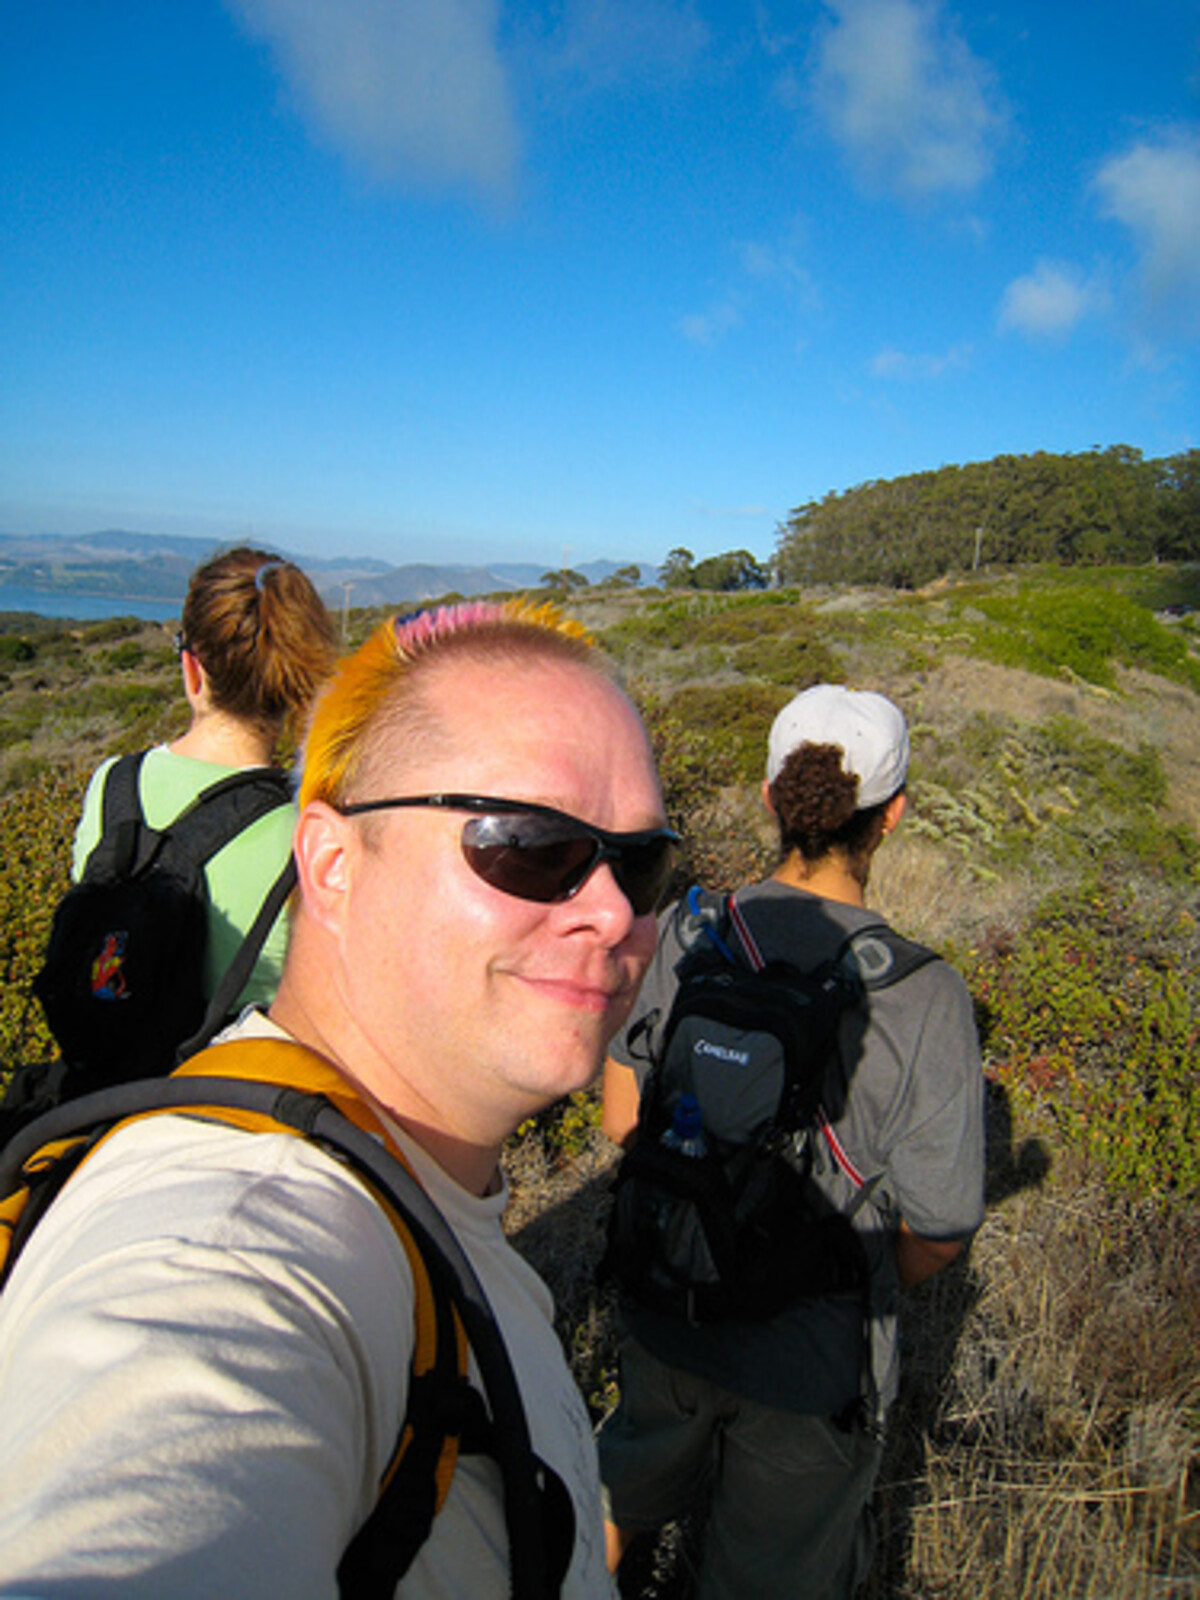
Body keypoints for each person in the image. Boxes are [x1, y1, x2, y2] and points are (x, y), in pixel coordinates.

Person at [0, 599, 677, 1597]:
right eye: (531, 846)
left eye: (641, 862)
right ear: (329, 861)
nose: (616, 912)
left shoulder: (429, 1192)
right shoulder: (231, 1242)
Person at [597, 683, 985, 1600]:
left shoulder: (693, 932)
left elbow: (622, 1117)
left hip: (666, 1307)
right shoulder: (927, 995)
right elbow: (938, 1228)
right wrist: (823, 1269)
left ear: (772, 798)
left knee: (608, 1508)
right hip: (807, 1366)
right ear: (893, 815)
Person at [70, 544, 337, 1009]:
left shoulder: (111, 784)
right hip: (237, 1076)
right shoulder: (312, 834)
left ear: (192, 668)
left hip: (103, 1079)